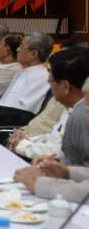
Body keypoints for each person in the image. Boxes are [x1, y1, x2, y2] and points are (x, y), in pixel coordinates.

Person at [13, 51, 89, 202]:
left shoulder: (79, 115)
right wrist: (66, 171)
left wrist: (39, 184)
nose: (84, 105)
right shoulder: (77, 111)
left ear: (65, 86)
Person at [0, 31, 53, 113]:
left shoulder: (41, 77)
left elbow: (22, 111)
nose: (17, 49)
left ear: (33, 54)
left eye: (21, 46)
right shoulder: (21, 71)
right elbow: (5, 100)